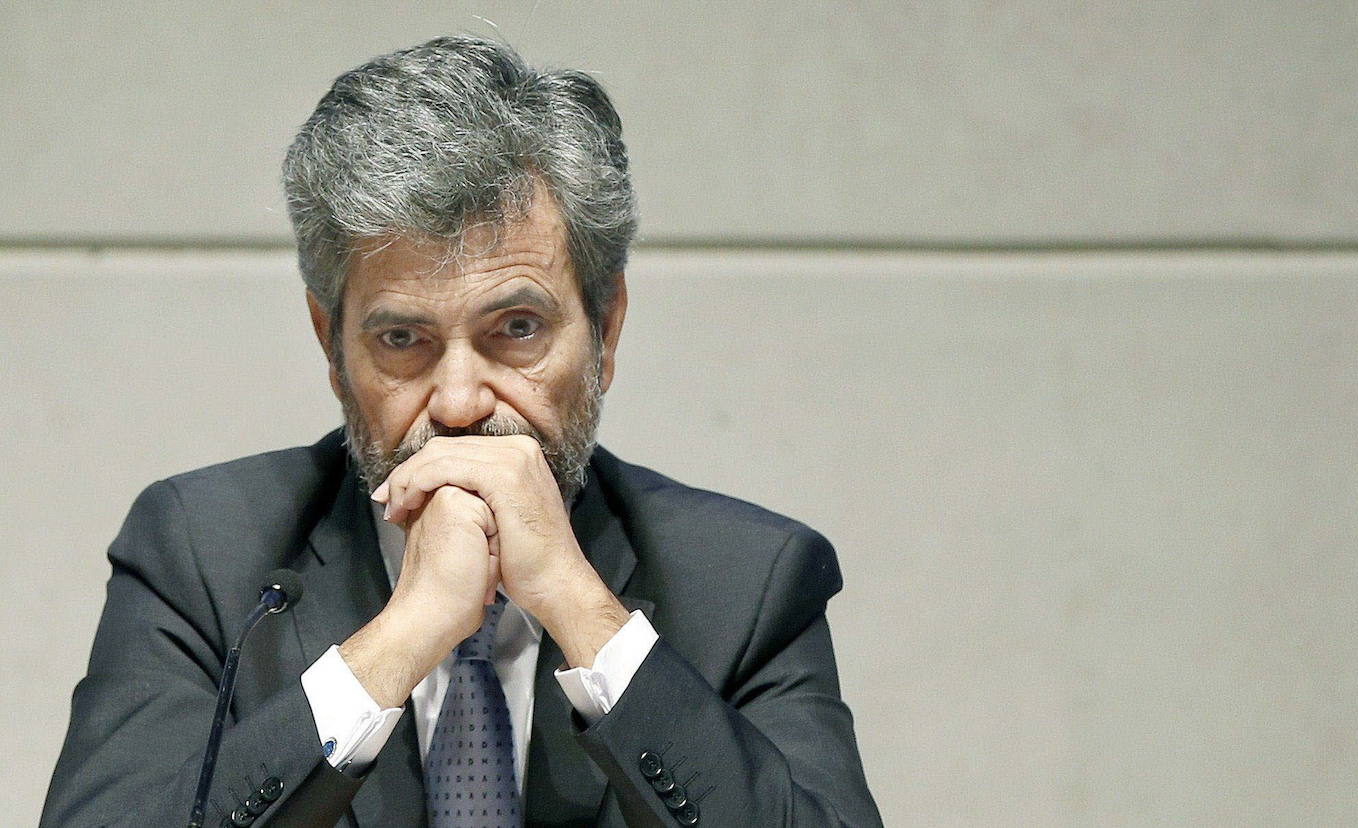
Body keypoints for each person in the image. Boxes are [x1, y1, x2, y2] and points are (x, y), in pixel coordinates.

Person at [42, 36, 881, 827]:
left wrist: (582, 610)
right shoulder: (204, 555)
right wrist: (399, 642)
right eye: (401, 339)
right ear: (331, 346)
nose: (457, 403)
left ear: (606, 327)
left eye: (516, 329)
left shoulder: (747, 582)